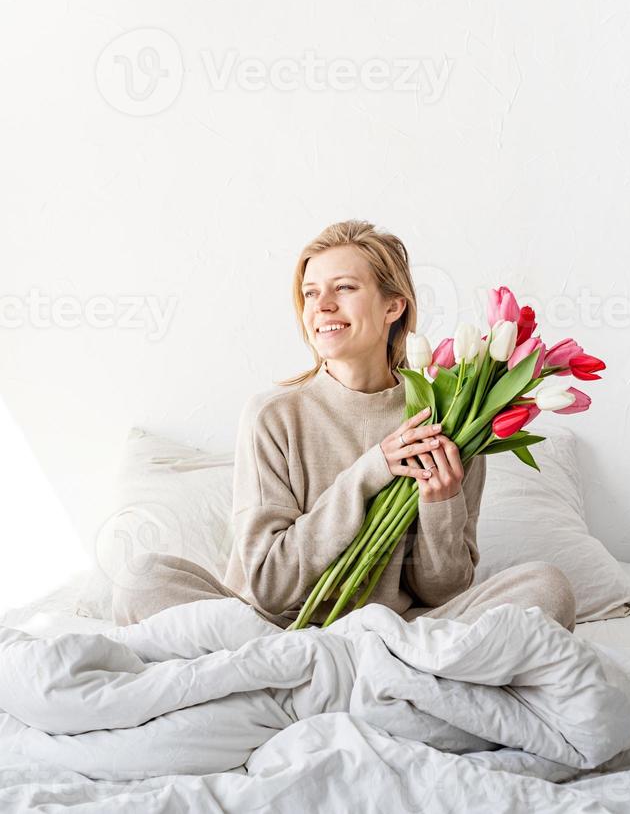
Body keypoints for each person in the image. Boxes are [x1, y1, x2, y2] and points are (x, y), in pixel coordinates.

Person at [112, 219, 576, 633]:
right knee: (141, 580)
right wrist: (372, 470)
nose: (322, 306)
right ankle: (340, 674)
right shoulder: (274, 415)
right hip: (272, 628)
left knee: (547, 588)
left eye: (345, 289)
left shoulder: (449, 418)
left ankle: (311, 679)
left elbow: (441, 593)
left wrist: (441, 504)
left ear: (393, 306)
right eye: (311, 293)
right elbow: (270, 585)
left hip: (392, 631)